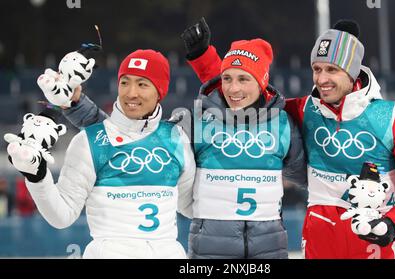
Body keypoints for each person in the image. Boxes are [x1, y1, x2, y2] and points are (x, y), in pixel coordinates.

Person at [178, 18, 395, 259]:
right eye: (317, 69)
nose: (322, 79)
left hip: (373, 238)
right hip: (320, 241)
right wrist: (204, 59)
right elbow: (245, 94)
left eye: (332, 70)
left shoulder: (393, 117)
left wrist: (394, 223)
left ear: (352, 72)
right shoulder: (305, 110)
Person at [42, 23, 307, 259]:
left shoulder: (283, 125)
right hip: (210, 250)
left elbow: (314, 174)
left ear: (261, 82)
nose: (233, 88)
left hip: (268, 248)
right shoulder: (197, 124)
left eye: (244, 79)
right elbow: (129, 135)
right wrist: (75, 104)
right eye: (227, 78)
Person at [6, 49, 196, 258]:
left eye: (142, 84)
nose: (131, 93)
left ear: (160, 90)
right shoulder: (90, 141)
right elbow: (62, 216)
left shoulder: (176, 138)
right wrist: (37, 175)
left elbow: (191, 206)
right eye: (125, 82)